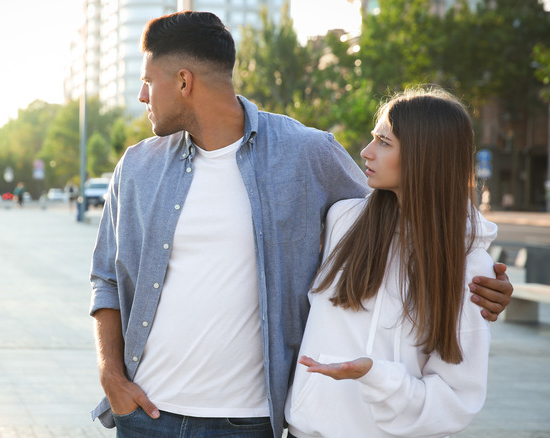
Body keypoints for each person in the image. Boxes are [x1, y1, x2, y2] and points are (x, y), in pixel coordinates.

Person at [89, 11, 513, 438]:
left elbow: (409, 213)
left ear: (184, 82)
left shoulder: (308, 154)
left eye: (148, 81)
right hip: (146, 415)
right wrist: (111, 376)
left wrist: (473, 273)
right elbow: (106, 277)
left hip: (249, 421)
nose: (142, 95)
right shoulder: (137, 167)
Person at [286, 88, 495, 437]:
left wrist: (376, 376)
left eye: (384, 142)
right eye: (373, 139)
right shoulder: (342, 220)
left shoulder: (469, 264)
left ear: (424, 156)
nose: (366, 152)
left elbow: (458, 400)